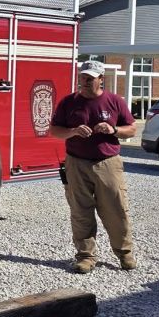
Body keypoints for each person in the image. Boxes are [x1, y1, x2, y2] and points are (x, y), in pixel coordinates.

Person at [49, 60, 138, 274]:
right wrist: (72, 132)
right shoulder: (68, 102)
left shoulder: (114, 101)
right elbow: (54, 130)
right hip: (76, 163)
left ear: (101, 79)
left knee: (116, 210)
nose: (85, 81)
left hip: (107, 163)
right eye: (83, 77)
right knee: (80, 211)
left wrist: (113, 129)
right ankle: (85, 257)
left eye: (90, 78)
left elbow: (132, 129)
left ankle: (124, 253)